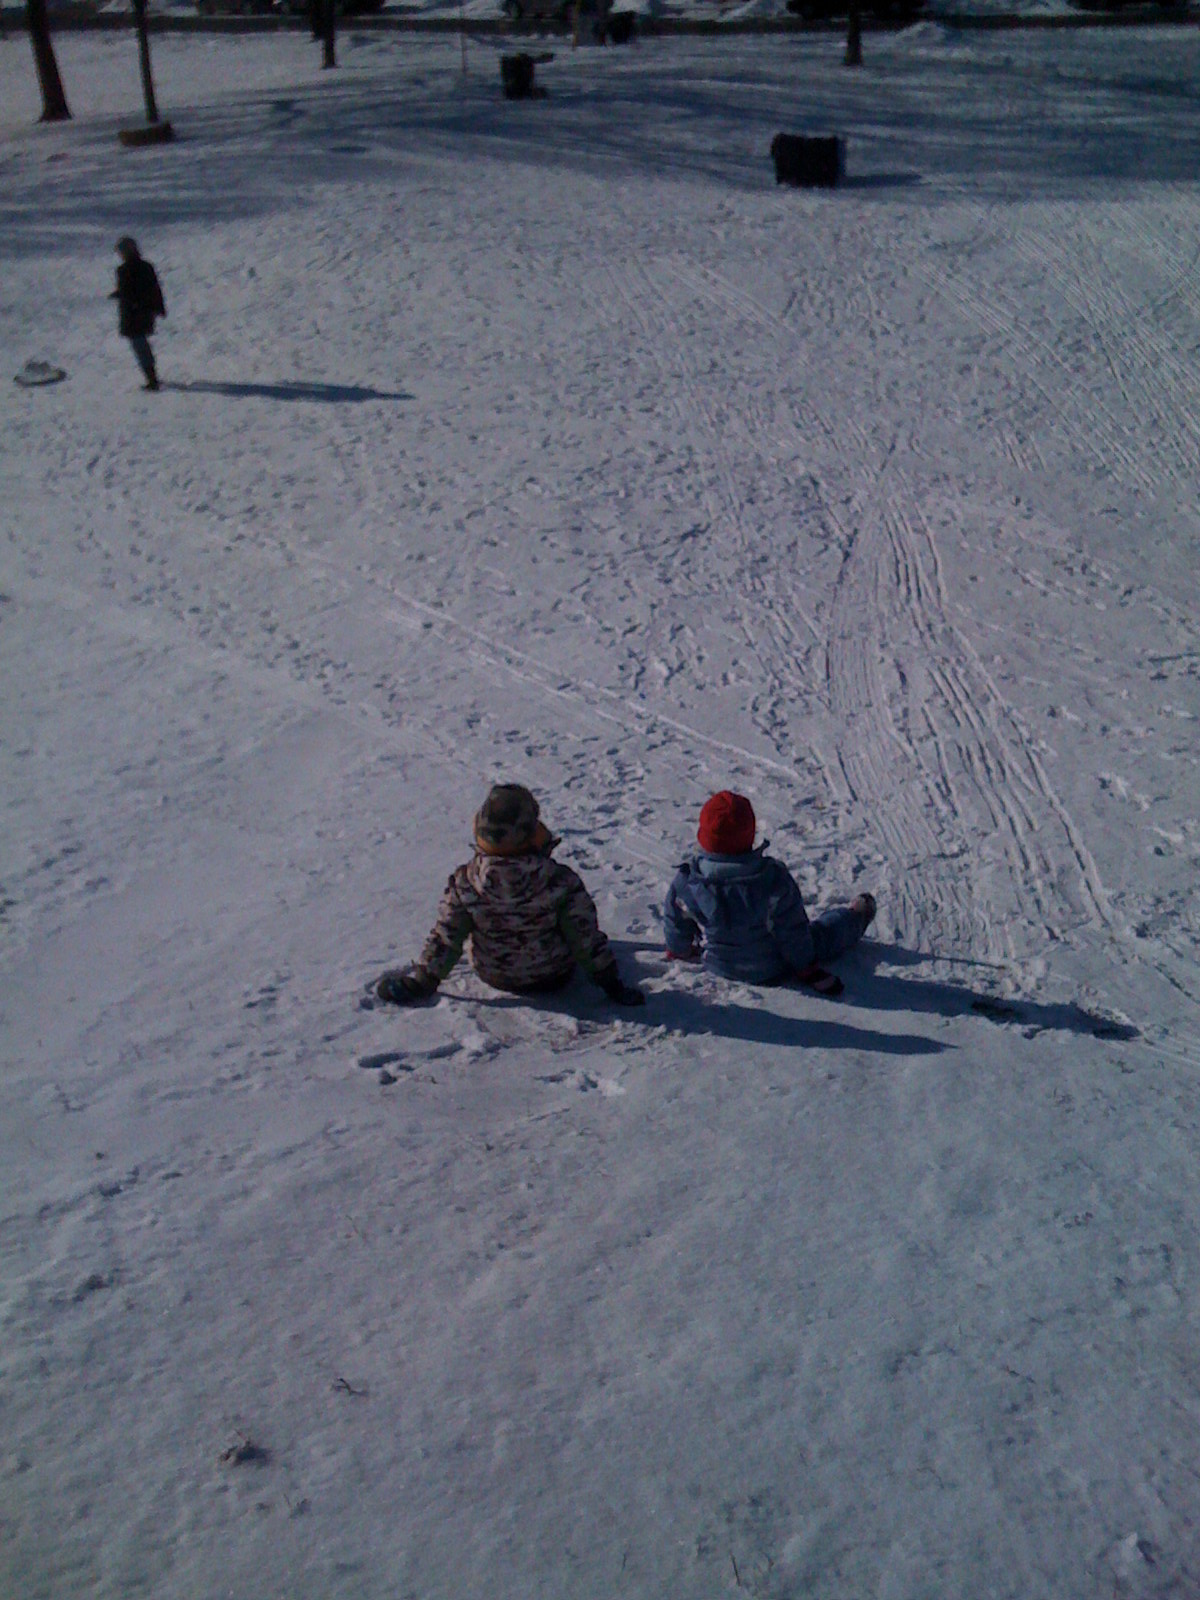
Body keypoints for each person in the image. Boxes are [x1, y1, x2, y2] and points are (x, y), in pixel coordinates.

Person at [375, 783, 645, 1007]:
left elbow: (447, 936)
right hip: (554, 975)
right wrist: (612, 984)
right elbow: (583, 936)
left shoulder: (466, 881)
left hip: (494, 974)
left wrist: (422, 982)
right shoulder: (559, 880)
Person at [663, 790, 875, 994]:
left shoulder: (688, 882)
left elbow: (676, 921)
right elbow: (793, 931)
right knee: (821, 935)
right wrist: (806, 967)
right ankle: (856, 917)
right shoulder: (771, 879)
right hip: (772, 967)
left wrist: (679, 949)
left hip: (719, 964)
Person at [110, 237, 166, 391]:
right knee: (141, 344)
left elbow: (130, 291)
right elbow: (154, 288)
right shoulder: (146, 266)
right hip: (146, 311)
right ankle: (152, 377)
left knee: (140, 345)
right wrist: (159, 308)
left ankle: (152, 379)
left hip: (133, 314)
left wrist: (122, 295)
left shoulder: (124, 270)